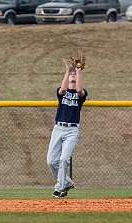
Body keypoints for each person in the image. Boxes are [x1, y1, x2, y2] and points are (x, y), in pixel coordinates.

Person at [46, 56, 88, 198]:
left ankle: (59, 188)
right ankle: (67, 182)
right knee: (51, 161)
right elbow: (62, 89)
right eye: (71, 76)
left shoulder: (80, 94)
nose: (72, 77)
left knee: (64, 159)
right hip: (58, 128)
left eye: (74, 77)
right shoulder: (62, 92)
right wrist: (67, 71)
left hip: (72, 130)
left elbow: (80, 90)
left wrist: (78, 71)